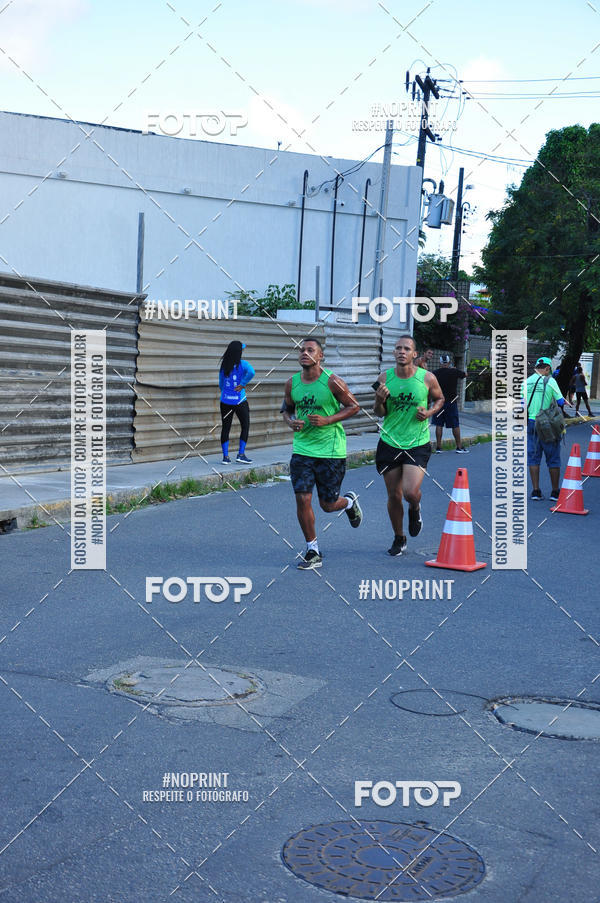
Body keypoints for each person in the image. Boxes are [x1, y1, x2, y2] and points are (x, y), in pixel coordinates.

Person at [282, 338, 363, 570]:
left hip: (330, 451)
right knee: (302, 498)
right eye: (302, 350)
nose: (304, 353)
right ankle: (313, 550)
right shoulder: (292, 383)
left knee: (328, 505)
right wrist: (291, 422)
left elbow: (354, 406)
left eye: (310, 350)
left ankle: (348, 503)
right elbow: (286, 409)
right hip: (302, 450)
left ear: (320, 356)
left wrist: (328, 420)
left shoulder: (333, 382)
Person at [373, 335, 444, 556]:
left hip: (417, 443)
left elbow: (440, 399)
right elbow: (379, 413)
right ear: (393, 352)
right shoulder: (384, 378)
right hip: (390, 442)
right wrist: (379, 399)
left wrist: (430, 412)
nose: (402, 351)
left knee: (410, 492)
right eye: (398, 348)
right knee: (394, 495)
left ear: (415, 354)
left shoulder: (427, 377)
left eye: (406, 348)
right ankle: (399, 537)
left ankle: (415, 507)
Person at [524, 356, 571, 500]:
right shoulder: (550, 381)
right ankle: (555, 492)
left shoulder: (526, 382)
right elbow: (560, 401)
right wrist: (565, 402)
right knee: (553, 458)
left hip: (531, 422)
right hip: (547, 424)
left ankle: (536, 491)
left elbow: (522, 404)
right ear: (547, 368)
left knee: (533, 458)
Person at [219, 340, 255, 464]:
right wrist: (243, 384)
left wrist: (226, 393)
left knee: (225, 427)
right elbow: (252, 372)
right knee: (245, 426)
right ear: (239, 352)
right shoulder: (243, 364)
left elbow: (221, 383)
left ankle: (225, 457)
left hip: (225, 401)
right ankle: (241, 454)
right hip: (240, 401)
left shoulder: (224, 365)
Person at [432, 354, 468, 453]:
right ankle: (459, 447)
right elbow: (465, 374)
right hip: (451, 402)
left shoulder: (435, 373)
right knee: (455, 424)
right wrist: (454, 369)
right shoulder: (454, 371)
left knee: (439, 424)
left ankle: (439, 447)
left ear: (440, 363)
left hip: (439, 402)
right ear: (448, 362)